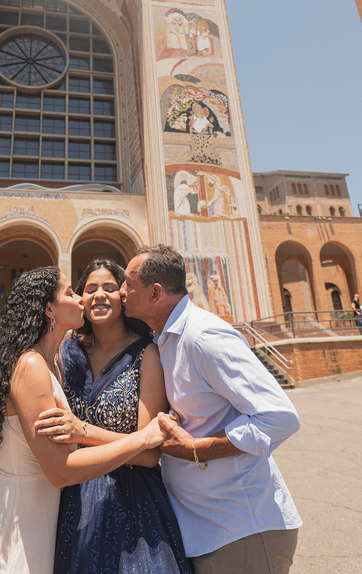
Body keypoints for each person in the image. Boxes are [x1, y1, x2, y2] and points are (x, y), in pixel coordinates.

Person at [0, 267, 168, 574]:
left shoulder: (54, 361)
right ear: (49, 309)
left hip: (40, 523)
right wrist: (142, 439)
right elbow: (60, 471)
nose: (81, 298)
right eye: (71, 292)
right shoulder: (32, 365)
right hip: (12, 529)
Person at [121, 245, 301, 574]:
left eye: (129, 284)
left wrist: (197, 449)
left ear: (155, 293)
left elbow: (278, 417)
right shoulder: (167, 339)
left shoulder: (203, 336)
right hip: (210, 534)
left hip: (243, 532)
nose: (121, 291)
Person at [33, 258, 191, 574]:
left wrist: (83, 432)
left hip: (133, 499)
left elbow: (148, 454)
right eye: (90, 289)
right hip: (74, 495)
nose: (99, 295)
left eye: (109, 287)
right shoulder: (67, 352)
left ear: (122, 295)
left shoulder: (147, 354)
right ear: (80, 298)